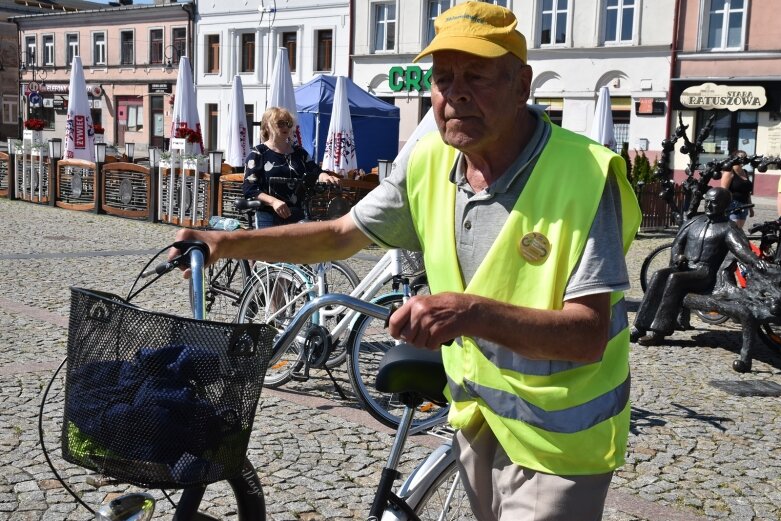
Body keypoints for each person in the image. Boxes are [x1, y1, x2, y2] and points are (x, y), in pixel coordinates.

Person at [173, 2, 641, 519]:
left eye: (477, 75)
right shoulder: (429, 161)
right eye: (443, 78)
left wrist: (468, 313)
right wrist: (226, 243)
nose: (455, 92)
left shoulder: (585, 175)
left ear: (521, 84)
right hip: (476, 417)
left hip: (560, 442)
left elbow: (587, 334)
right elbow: (338, 235)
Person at [631, 187, 768, 346]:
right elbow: (677, 244)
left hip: (704, 274)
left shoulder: (728, 227)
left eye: (714, 203)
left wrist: (755, 260)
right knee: (658, 275)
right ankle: (640, 327)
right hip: (684, 267)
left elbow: (741, 249)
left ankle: (658, 331)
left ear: (724, 205)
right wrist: (678, 257)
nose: (708, 206)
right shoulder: (695, 222)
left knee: (674, 279)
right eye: (707, 202)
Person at [241, 106, 340, 229]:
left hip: (298, 215)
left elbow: (315, 171)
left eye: (289, 123)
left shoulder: (299, 152)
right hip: (268, 215)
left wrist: (324, 176)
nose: (286, 127)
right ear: (267, 126)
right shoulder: (258, 154)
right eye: (280, 123)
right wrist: (274, 202)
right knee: (271, 249)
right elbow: (249, 189)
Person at [720, 150, 753, 229]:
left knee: (739, 229)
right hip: (733, 205)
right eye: (741, 157)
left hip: (744, 205)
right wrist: (722, 208)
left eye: (745, 158)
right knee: (733, 230)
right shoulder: (729, 172)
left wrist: (751, 208)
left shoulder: (745, 172)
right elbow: (723, 191)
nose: (743, 160)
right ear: (734, 158)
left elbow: (747, 193)